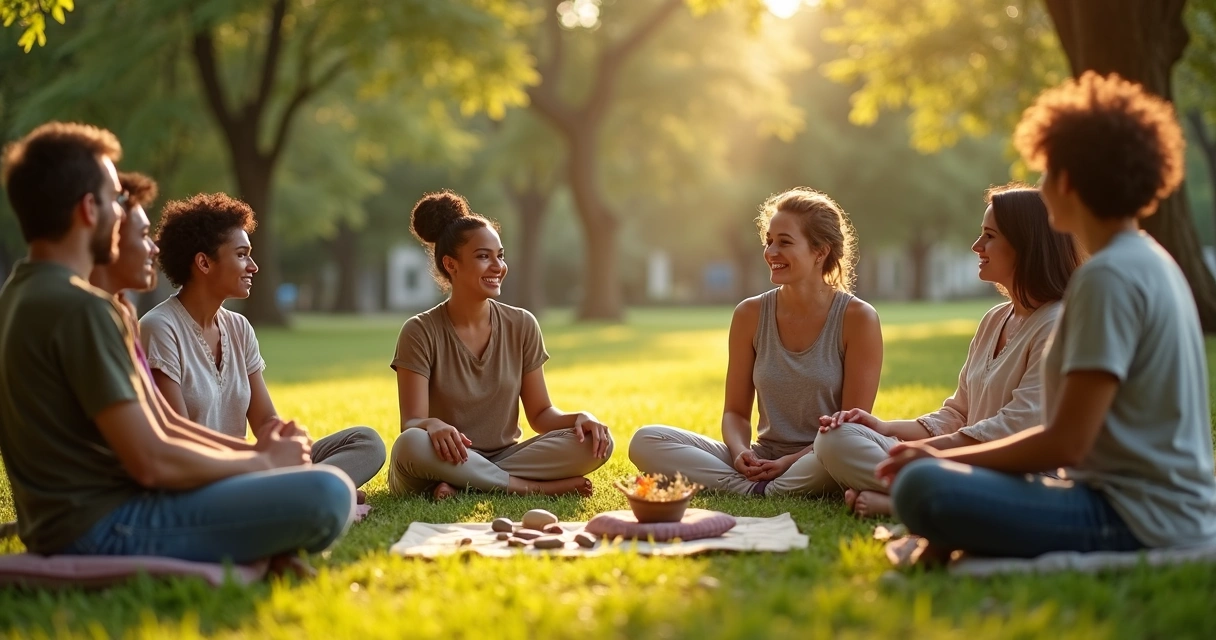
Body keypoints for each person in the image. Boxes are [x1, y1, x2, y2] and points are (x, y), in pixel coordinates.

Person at [879, 72, 1216, 564]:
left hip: (1134, 517)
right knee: (930, 480)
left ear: (1069, 181)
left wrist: (941, 459)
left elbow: (1067, 441)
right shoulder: (1148, 259)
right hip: (1144, 505)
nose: (1040, 186)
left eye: (1045, 172)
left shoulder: (1109, 276)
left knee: (923, 486)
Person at [0, 121, 353, 564]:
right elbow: (151, 461)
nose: (122, 213)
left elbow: (162, 428)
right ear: (89, 209)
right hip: (106, 526)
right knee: (327, 492)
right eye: (114, 201)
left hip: (76, 520)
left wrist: (260, 453)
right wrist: (262, 464)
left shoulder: (20, 292)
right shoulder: (80, 308)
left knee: (318, 477)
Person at [814, 184, 1081, 516]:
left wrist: (926, 454)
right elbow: (957, 414)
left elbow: (1014, 429)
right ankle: (916, 492)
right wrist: (886, 429)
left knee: (897, 461)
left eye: (989, 236)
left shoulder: (1057, 324)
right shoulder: (995, 318)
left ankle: (907, 497)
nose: (976, 246)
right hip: (960, 463)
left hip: (1017, 478)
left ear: (1026, 245)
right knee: (838, 438)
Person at [629, 187, 883, 496]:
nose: (771, 252)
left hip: (821, 457)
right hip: (764, 456)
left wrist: (791, 461)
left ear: (820, 251)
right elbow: (735, 412)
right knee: (646, 440)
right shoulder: (749, 314)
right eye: (769, 241)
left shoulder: (858, 318)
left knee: (839, 449)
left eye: (784, 242)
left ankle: (758, 487)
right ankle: (757, 488)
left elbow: (851, 429)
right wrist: (739, 453)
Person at [140, 193, 386, 498]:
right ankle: (320, 491)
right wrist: (259, 459)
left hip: (253, 467)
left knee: (366, 442)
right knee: (309, 480)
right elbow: (177, 438)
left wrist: (288, 439)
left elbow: (266, 422)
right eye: (242, 254)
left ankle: (316, 490)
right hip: (205, 479)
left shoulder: (239, 327)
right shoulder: (160, 328)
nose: (253, 266)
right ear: (203, 262)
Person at [387, 190, 613, 500]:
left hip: (504, 458)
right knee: (410, 443)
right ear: (451, 265)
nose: (498, 266)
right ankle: (529, 488)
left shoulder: (522, 325)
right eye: (483, 256)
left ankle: (466, 484)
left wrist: (580, 418)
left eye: (500, 255)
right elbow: (411, 422)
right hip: (442, 459)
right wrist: (432, 425)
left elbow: (541, 414)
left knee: (596, 442)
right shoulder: (419, 331)